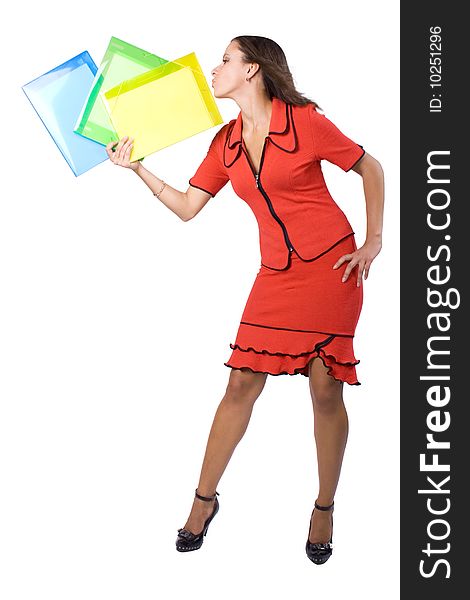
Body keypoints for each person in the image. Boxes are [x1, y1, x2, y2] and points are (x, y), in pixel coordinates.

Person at [106, 35, 384, 564]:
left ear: (253, 71)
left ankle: (324, 506)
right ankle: (202, 501)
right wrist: (138, 167)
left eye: (226, 60)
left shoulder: (304, 121)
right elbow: (188, 206)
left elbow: (370, 167)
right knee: (239, 382)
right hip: (275, 275)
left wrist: (373, 240)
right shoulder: (226, 142)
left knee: (326, 390)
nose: (215, 68)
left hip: (330, 267)